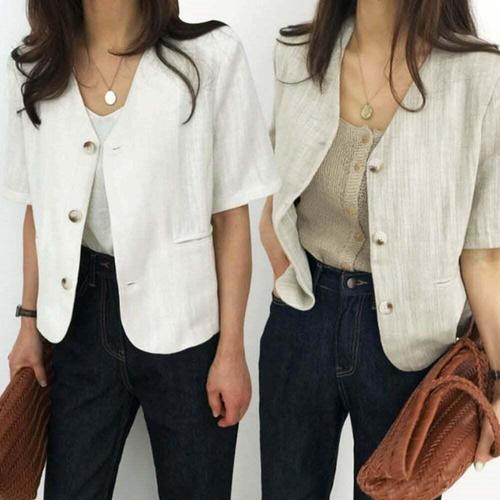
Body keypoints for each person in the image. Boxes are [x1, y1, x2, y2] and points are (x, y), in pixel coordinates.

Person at [1, 1, 280, 499]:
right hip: (77, 325)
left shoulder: (210, 56)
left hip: (187, 329)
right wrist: (28, 323)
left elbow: (230, 217)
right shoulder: (33, 66)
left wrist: (232, 350)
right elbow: (36, 211)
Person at [259, 0, 500, 498]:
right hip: (302, 323)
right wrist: (287, 277)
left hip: (414, 346)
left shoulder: (480, 78)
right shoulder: (299, 54)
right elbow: (275, 197)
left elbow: (484, 253)